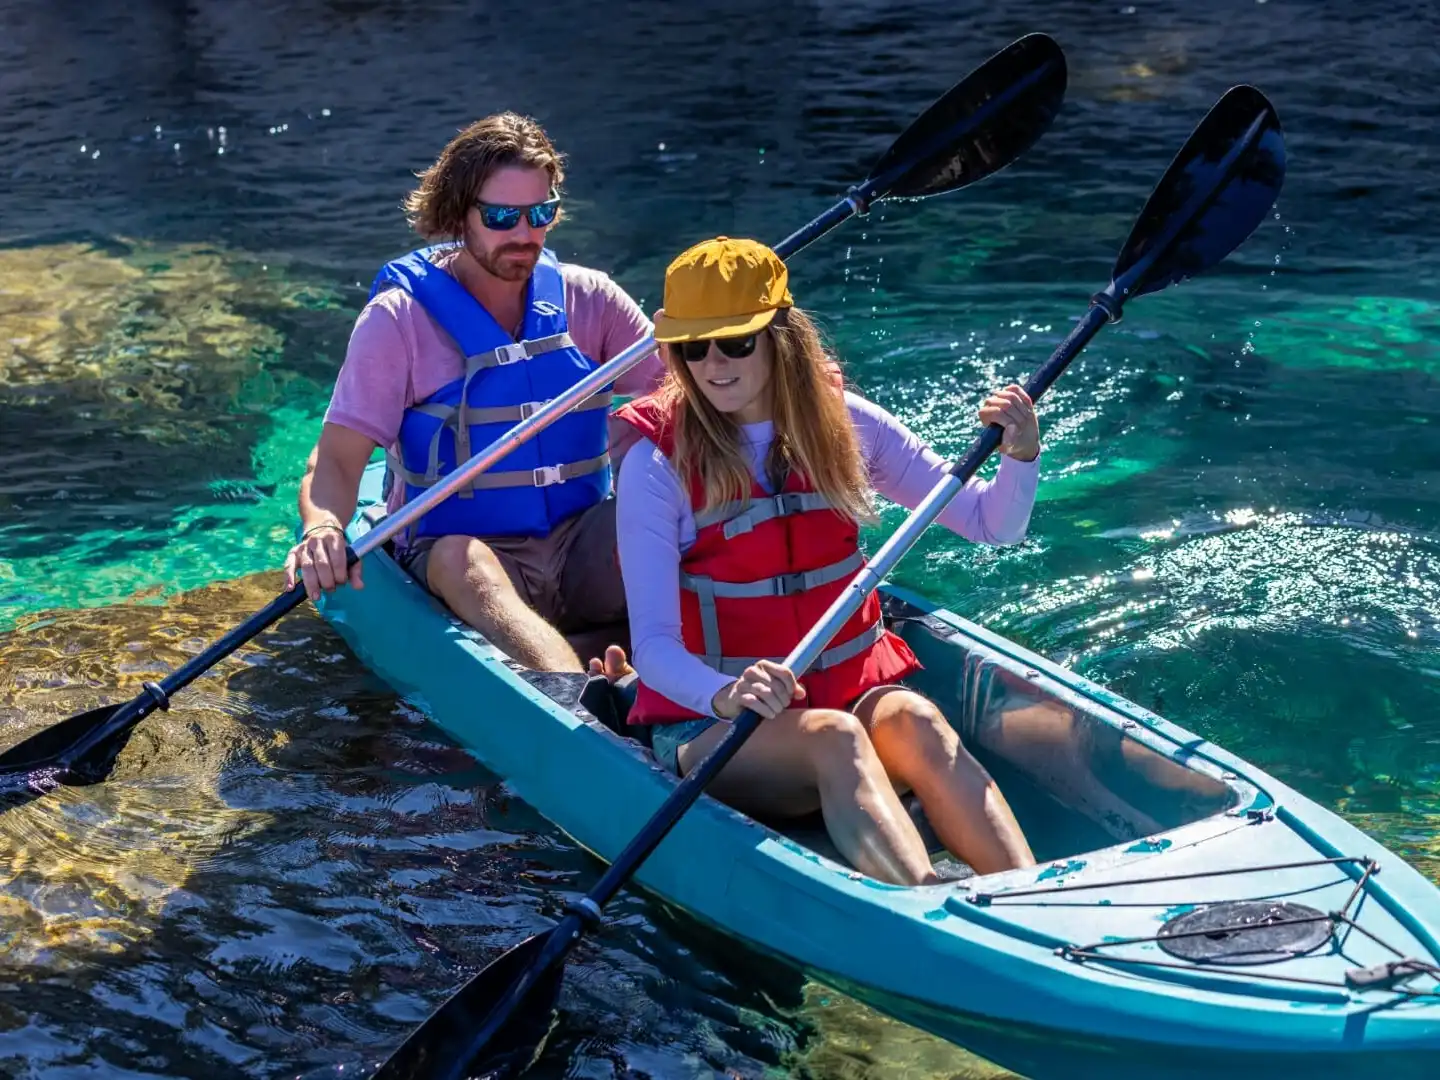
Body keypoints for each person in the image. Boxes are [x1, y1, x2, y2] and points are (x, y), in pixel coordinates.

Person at [611, 236, 1040, 886]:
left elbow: (991, 523)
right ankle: (928, 917)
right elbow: (654, 651)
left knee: (919, 721)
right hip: (713, 725)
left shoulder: (847, 424)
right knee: (834, 738)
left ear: (779, 336)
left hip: (845, 694)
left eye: (735, 342)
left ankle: (1031, 902)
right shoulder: (656, 465)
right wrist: (725, 694)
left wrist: (1021, 455)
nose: (714, 364)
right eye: (693, 348)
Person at [284, 112, 662, 675]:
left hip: (579, 541)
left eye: (542, 213)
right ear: (459, 212)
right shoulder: (399, 322)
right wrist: (322, 528)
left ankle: (719, 673)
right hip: (465, 559)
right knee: (464, 561)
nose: (525, 233)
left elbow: (685, 404)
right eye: (503, 215)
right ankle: (584, 702)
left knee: (681, 514)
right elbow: (335, 461)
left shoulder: (591, 300)